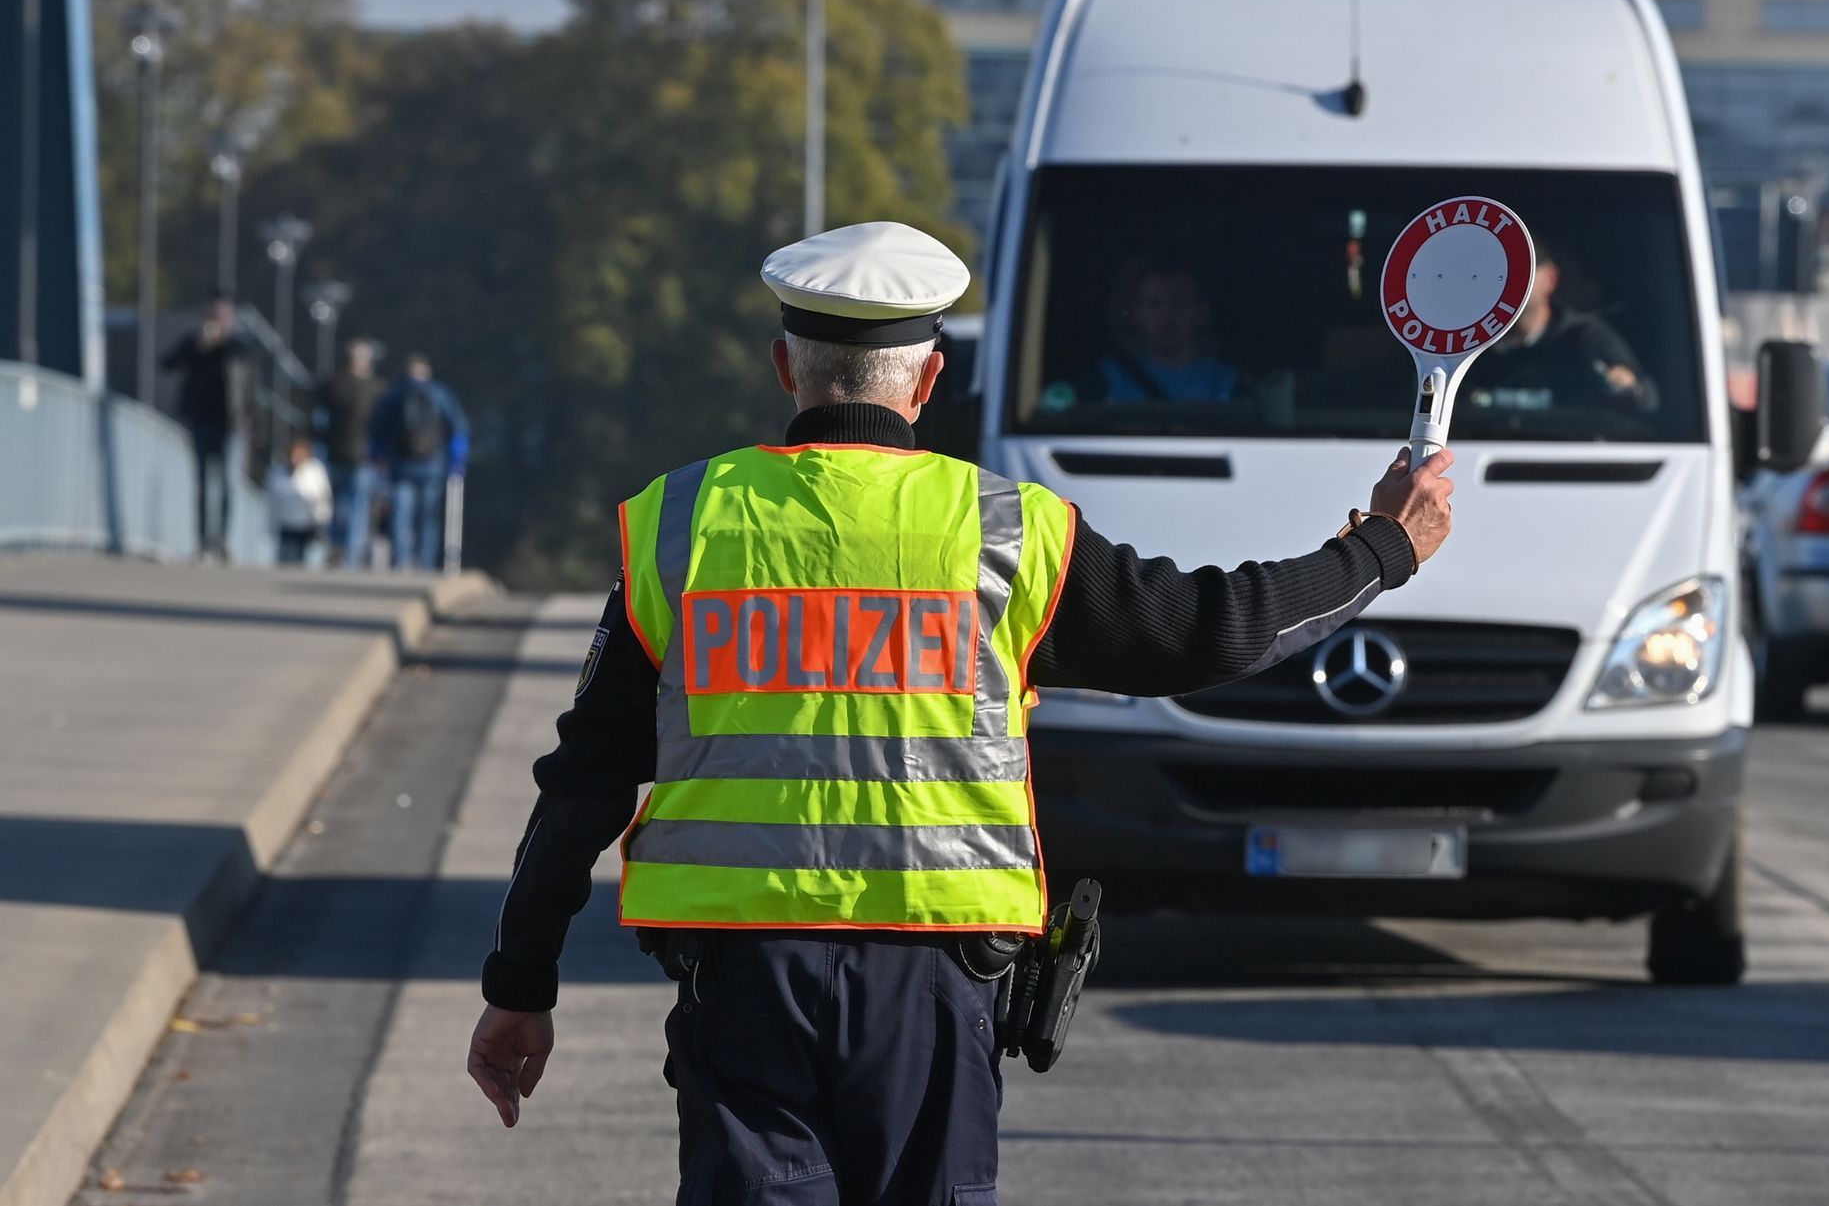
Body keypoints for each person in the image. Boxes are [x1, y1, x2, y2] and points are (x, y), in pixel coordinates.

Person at [464, 221, 1454, 1205]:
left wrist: (520, 982)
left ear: (784, 366)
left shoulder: (680, 524)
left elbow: (581, 780)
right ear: (930, 378)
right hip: (933, 990)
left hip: (742, 982)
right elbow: (1212, 631)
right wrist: (1378, 550)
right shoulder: (1007, 534)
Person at [1465, 238, 1653, 414]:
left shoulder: (1586, 338)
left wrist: (1627, 386)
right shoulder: (1467, 342)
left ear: (1550, 278)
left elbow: (1650, 401)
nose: (1505, 280)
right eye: (1496, 271)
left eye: (1521, 270)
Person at [160, 295, 250, 559]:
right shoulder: (194, 343)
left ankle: (222, 539)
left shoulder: (236, 346)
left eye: (222, 317)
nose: (217, 321)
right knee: (201, 484)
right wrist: (199, 347)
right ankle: (202, 542)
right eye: (214, 316)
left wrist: (223, 341)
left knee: (225, 485)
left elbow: (248, 362)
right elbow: (167, 364)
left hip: (229, 425)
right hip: (200, 421)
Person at [368, 353, 469, 570]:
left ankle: (401, 560)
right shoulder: (440, 393)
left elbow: (378, 430)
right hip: (432, 463)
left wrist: (377, 457)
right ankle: (425, 563)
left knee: (400, 515)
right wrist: (457, 460)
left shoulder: (395, 394)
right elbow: (458, 427)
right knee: (427, 517)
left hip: (400, 464)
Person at [1098, 263, 1240, 403]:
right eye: (1155, 304)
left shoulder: (1227, 384)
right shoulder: (1108, 380)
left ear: (1201, 312)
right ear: (1137, 313)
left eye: (1178, 303)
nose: (1166, 316)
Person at [318, 339, 384, 568]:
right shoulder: (375, 389)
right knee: (358, 506)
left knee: (337, 504)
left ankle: (337, 546)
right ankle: (350, 555)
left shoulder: (332, 385)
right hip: (362, 456)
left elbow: (319, 419)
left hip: (335, 452)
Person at [266, 434, 333, 565]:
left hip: (306, 526)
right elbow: (273, 502)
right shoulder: (279, 471)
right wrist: (271, 526)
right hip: (286, 526)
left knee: (302, 562)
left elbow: (322, 498)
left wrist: (321, 523)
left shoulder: (315, 470)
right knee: (284, 560)